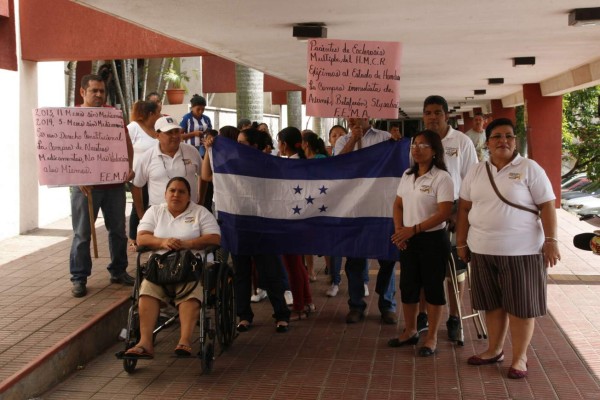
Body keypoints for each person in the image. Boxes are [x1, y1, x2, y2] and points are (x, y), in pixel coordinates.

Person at [456, 118, 560, 379]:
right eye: (497, 137)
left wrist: (551, 241)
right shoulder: (476, 171)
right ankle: (493, 350)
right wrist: (461, 241)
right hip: (482, 249)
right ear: (487, 142)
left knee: (521, 307)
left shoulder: (529, 168)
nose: (503, 141)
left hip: (522, 251)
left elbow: (547, 205)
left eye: (509, 136)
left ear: (515, 141)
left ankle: (520, 357)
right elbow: (465, 208)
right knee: (491, 304)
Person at [202, 128, 291, 332]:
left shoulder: (270, 166)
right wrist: (209, 151)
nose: (237, 146)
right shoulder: (229, 165)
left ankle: (281, 314)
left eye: (243, 143)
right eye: (237, 142)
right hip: (238, 226)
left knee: (270, 272)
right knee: (241, 273)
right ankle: (244, 315)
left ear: (256, 147)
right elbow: (206, 175)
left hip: (264, 228)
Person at [124, 177, 221, 359]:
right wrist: (163, 241)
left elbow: (214, 238)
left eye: (181, 191)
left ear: (189, 196)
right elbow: (142, 238)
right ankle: (145, 342)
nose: (176, 195)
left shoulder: (200, 212)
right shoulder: (155, 211)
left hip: (190, 267)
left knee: (190, 294)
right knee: (146, 293)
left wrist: (187, 243)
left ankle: (184, 341)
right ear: (165, 194)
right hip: (160, 267)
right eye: (172, 191)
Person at [388, 130, 453, 357]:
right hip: (408, 238)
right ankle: (410, 330)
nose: (416, 148)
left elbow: (445, 212)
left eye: (423, 145)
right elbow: (398, 204)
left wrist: (412, 230)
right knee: (408, 285)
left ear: (435, 151)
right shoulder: (407, 175)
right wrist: (399, 230)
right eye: (414, 144)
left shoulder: (442, 178)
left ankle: (431, 337)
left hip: (432, 240)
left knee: (433, 288)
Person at [417, 95, 478, 340]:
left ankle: (454, 318)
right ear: (423, 116)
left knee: (456, 268)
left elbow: (471, 180)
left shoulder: (462, 142)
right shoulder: (417, 142)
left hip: (454, 212)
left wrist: (458, 212)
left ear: (446, 115)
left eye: (438, 112)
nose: (433, 117)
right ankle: (422, 316)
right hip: (424, 211)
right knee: (425, 269)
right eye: (428, 112)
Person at [69, 74, 135, 298]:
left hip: (114, 185)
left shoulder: (114, 116)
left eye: (102, 91)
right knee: (82, 234)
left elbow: (126, 144)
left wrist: (129, 166)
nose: (98, 95)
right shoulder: (70, 118)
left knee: (118, 231)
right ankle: (79, 277)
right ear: (82, 92)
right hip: (84, 188)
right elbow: (62, 154)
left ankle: (118, 271)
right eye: (94, 90)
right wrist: (78, 178)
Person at [334, 117, 402, 324]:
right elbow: (337, 166)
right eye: (350, 113)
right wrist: (353, 141)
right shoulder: (342, 140)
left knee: (388, 258)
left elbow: (398, 163)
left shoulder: (385, 137)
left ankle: (387, 304)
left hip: (382, 208)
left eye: (359, 112)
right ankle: (356, 306)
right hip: (354, 209)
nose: (354, 117)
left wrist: (398, 144)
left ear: (369, 115)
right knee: (354, 259)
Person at [277, 127, 316, 319]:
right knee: (298, 264)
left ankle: (299, 308)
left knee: (292, 265)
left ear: (284, 145)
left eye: (279, 142)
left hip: (290, 220)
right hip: (302, 219)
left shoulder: (288, 166)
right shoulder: (303, 163)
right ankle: (307, 301)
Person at [131, 116, 201, 219]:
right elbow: (137, 186)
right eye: (169, 132)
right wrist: (142, 216)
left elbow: (203, 175)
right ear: (157, 135)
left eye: (177, 131)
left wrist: (201, 200)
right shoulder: (147, 157)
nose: (175, 136)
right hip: (159, 216)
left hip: (191, 213)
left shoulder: (192, 151)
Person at [127, 100, 160, 250]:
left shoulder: (156, 129)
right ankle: (134, 237)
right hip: (136, 174)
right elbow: (123, 146)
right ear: (151, 114)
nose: (159, 115)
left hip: (153, 174)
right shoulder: (133, 127)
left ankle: (150, 235)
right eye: (158, 112)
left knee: (151, 205)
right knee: (138, 205)